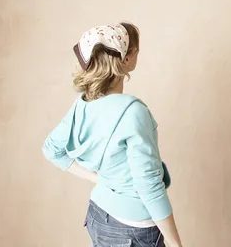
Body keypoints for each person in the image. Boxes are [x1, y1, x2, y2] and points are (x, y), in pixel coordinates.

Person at [42, 23, 183, 247]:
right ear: (126, 59)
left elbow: (51, 149)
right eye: (136, 49)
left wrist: (97, 179)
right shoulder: (133, 112)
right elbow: (149, 185)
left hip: (98, 215)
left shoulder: (83, 104)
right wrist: (175, 243)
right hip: (133, 229)